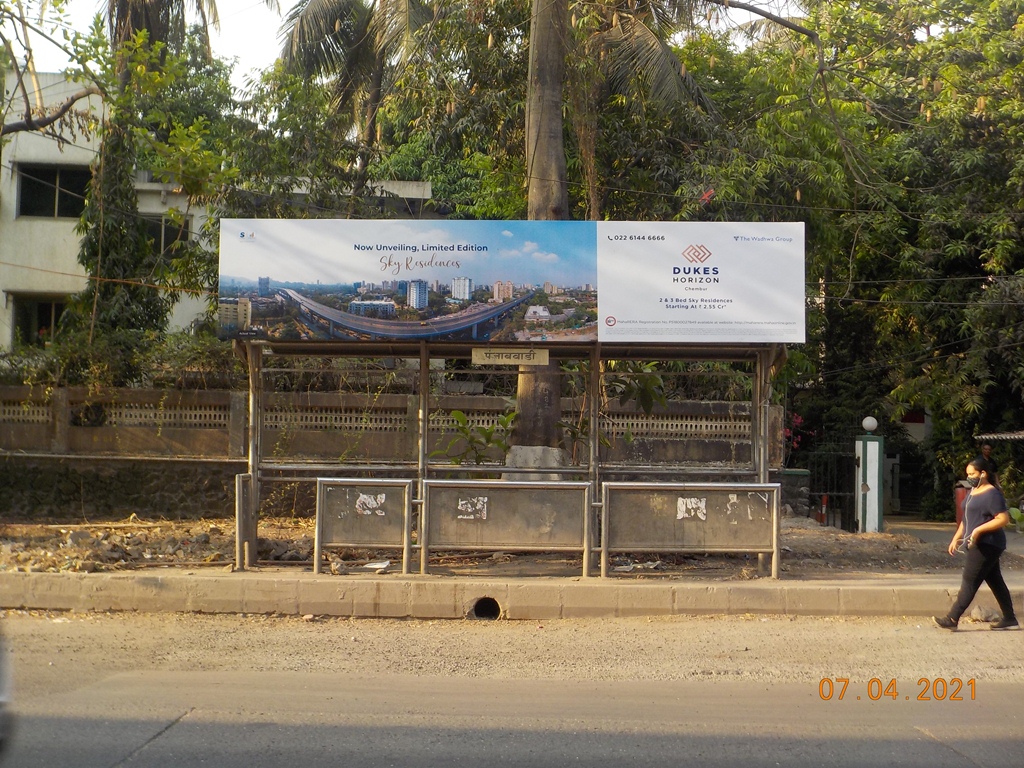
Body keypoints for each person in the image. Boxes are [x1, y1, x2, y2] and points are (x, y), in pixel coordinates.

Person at [934, 457, 1019, 630]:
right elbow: (967, 519)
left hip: (987, 544)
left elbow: (1003, 519)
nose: (969, 477)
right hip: (976, 542)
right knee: (996, 581)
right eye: (968, 474)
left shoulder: (992, 494)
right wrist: (956, 537)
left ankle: (952, 618)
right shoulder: (973, 491)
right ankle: (1010, 618)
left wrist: (979, 530)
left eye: (972, 474)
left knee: (969, 581)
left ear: (983, 473)